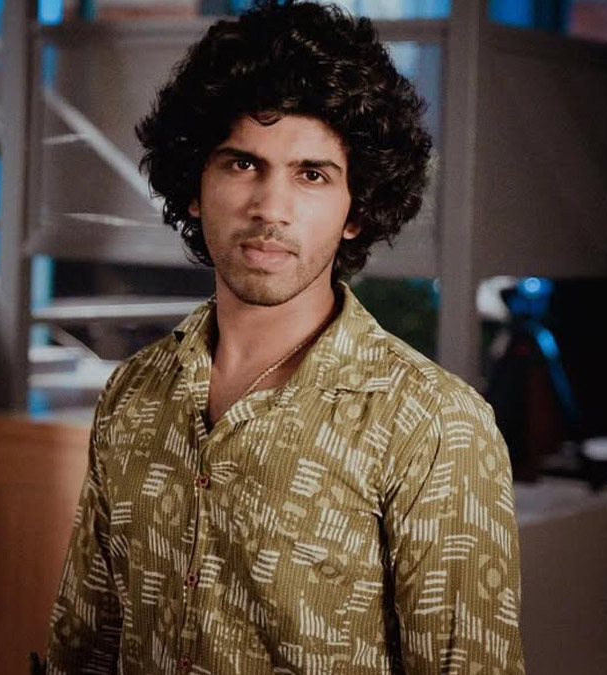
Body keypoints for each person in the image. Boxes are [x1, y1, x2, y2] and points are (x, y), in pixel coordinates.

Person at [43, 2, 526, 674]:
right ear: (194, 186)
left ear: (357, 208)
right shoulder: (134, 394)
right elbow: (83, 649)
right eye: (242, 163)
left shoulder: (433, 428)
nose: (270, 208)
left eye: (312, 174)